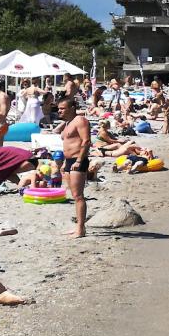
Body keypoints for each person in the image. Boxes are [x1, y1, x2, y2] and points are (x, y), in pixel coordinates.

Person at [57, 96, 91, 237]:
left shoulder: (80, 120)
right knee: (74, 195)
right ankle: (78, 226)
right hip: (69, 161)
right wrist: (65, 162)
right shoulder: (67, 124)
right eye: (58, 109)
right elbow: (68, 144)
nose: (59, 111)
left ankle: (81, 229)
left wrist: (78, 160)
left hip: (78, 160)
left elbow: (86, 141)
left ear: (72, 108)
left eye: (62, 108)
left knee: (78, 196)